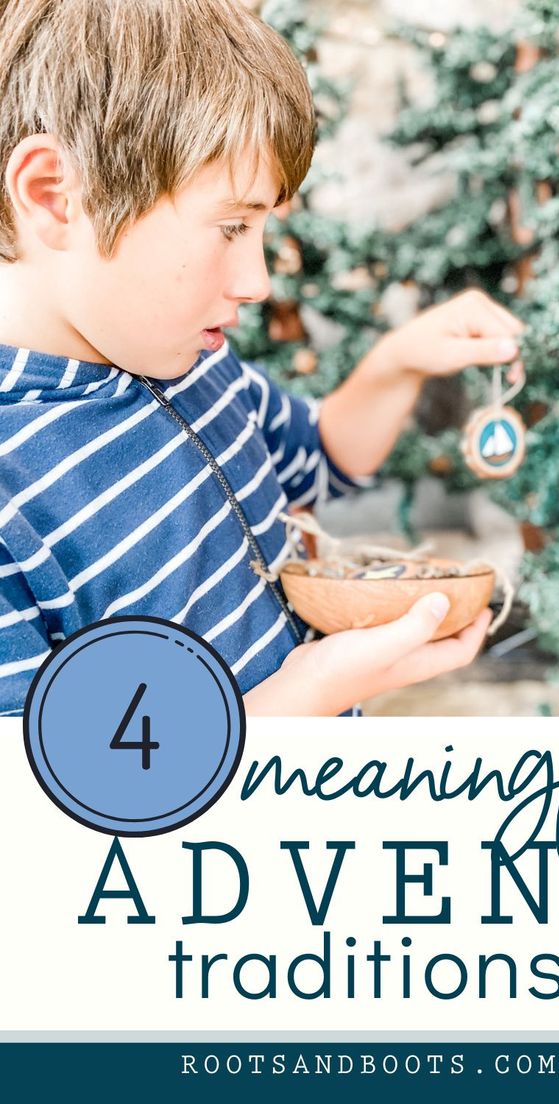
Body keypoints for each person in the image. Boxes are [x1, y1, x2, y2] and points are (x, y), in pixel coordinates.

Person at [0, 0, 522, 717]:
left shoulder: (192, 356)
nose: (257, 282)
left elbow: (316, 455)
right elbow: (59, 810)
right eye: (231, 226)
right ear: (55, 196)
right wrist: (314, 690)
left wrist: (398, 362)